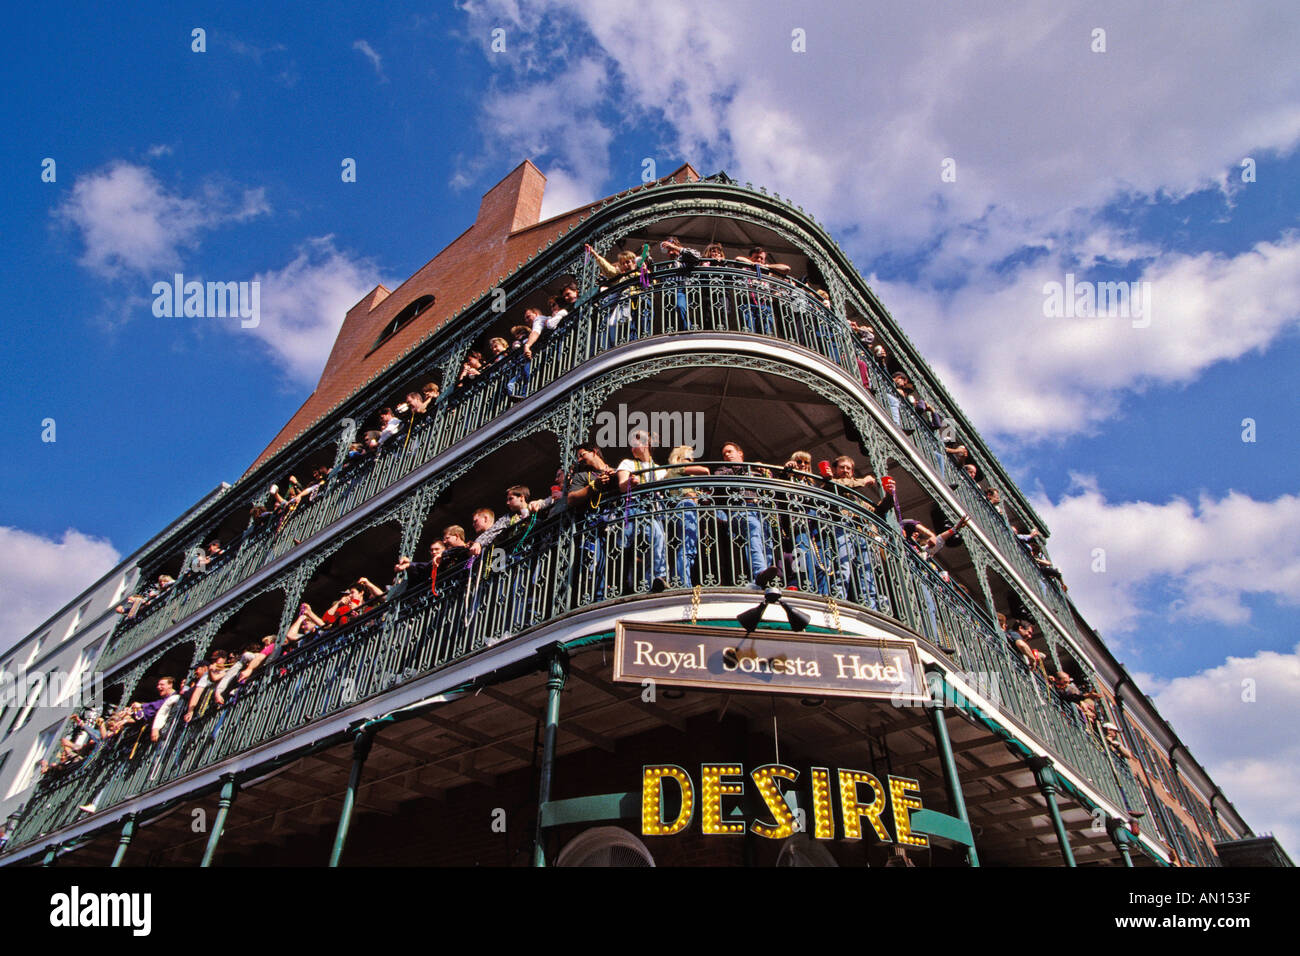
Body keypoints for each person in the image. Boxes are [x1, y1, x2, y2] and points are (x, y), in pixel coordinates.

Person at [712, 441, 779, 586]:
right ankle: (759, 572)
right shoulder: (723, 470)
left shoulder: (755, 471)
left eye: (730, 451)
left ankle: (768, 578)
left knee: (767, 541)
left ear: (740, 453)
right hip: (740, 510)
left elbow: (771, 487)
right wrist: (744, 468)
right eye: (724, 454)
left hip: (760, 509)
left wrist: (766, 472)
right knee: (753, 529)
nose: (727, 455)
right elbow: (720, 481)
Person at [617, 430, 670, 592]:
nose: (632, 446)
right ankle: (656, 577)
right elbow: (622, 485)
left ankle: (653, 581)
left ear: (647, 444)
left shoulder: (660, 470)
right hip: (636, 510)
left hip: (656, 512)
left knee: (659, 544)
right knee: (656, 538)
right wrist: (632, 483)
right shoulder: (628, 463)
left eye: (636, 442)